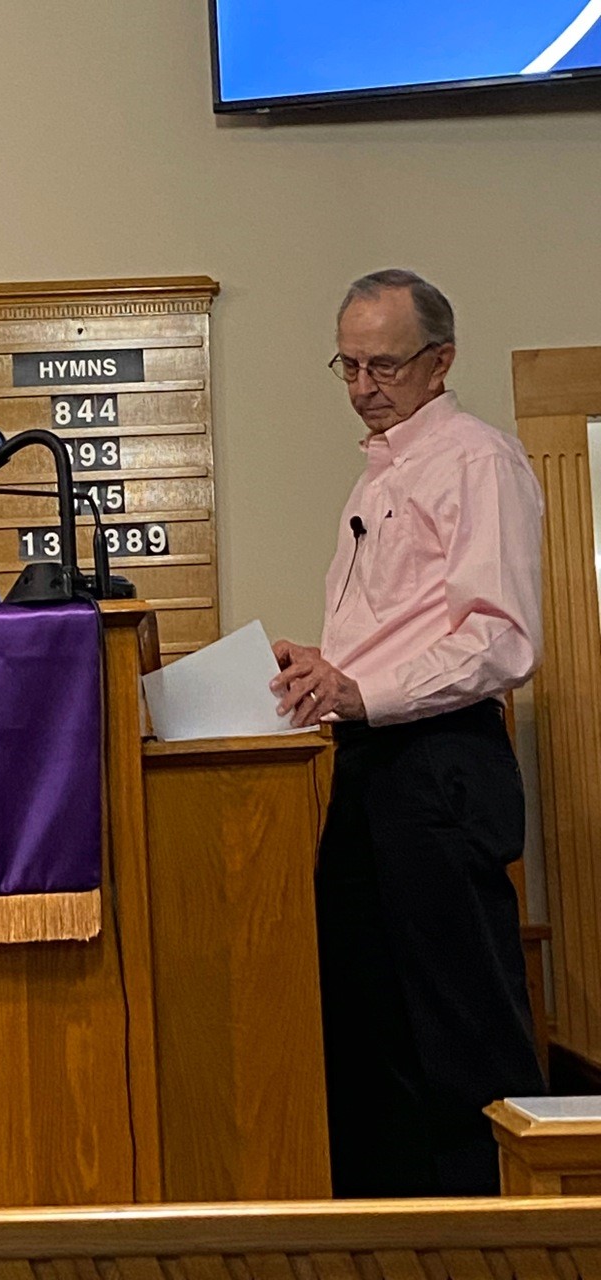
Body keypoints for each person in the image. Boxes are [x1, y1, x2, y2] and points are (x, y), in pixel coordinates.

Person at [270, 269, 546, 1198]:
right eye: (347, 365)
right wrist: (330, 665)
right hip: (373, 761)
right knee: (370, 1021)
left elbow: (501, 638)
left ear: (442, 360)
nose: (363, 386)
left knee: (462, 1028)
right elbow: (406, 627)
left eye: (383, 365)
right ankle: (391, 1235)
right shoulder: (381, 471)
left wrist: (364, 687)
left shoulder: (477, 460)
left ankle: (501, 1238)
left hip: (441, 761)